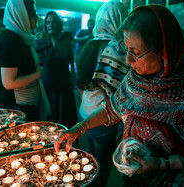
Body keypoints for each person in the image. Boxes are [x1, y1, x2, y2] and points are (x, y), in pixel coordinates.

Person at [55, 5, 184, 186]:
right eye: (126, 48)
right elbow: (113, 108)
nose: (128, 60)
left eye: (136, 53)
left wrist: (161, 164)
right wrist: (78, 129)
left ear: (165, 51)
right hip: (135, 176)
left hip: (171, 181)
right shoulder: (135, 79)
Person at [76, 1, 128, 186]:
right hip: (103, 116)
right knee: (103, 163)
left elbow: (81, 84)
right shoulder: (118, 49)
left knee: (90, 154)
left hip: (84, 111)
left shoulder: (90, 45)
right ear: (120, 19)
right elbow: (122, 92)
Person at [0, 0, 45, 121]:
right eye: (33, 13)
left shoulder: (23, 38)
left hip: (26, 103)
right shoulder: (10, 41)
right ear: (21, 15)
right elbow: (8, 83)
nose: (37, 17)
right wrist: (37, 74)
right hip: (17, 108)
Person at [35, 11, 77, 128]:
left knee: (65, 117)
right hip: (48, 85)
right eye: (48, 22)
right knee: (50, 119)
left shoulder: (65, 37)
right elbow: (40, 60)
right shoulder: (40, 40)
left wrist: (50, 39)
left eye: (53, 22)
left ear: (59, 24)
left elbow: (64, 54)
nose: (50, 25)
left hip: (64, 85)